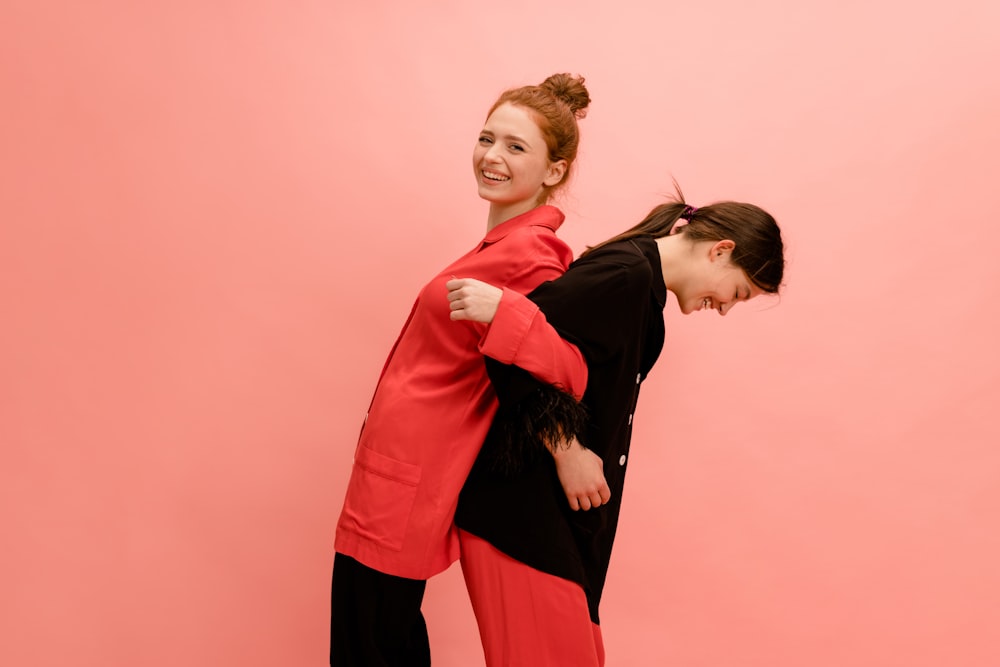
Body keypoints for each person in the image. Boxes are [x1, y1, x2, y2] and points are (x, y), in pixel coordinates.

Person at [452, 188, 786, 666]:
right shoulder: (624, 275)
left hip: (556, 528)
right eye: (737, 292)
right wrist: (567, 450)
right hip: (522, 517)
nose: (727, 308)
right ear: (721, 250)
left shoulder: (643, 288)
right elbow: (505, 335)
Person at [330, 73, 594, 666]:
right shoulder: (499, 246)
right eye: (486, 138)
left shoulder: (532, 255)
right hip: (392, 473)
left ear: (555, 170)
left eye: (516, 147)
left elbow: (565, 369)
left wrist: (565, 443)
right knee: (373, 635)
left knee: (372, 640)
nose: (491, 157)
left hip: (413, 478)